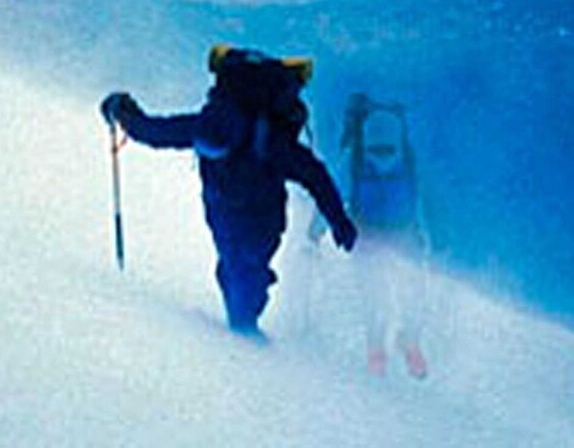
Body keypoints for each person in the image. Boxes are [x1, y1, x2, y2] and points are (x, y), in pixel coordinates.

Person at [100, 45, 357, 339]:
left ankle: (242, 331)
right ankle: (243, 331)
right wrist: (338, 221)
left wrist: (123, 111)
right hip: (262, 219)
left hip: (223, 211)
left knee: (236, 269)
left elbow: (155, 132)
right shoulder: (269, 140)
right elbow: (314, 175)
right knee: (245, 270)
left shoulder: (210, 126)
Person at [308, 92, 428, 378]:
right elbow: (333, 195)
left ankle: (406, 341)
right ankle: (379, 346)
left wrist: (316, 230)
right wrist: (317, 229)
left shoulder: (367, 159)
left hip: (395, 233)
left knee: (410, 291)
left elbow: (423, 198)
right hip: (373, 234)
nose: (382, 159)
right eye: (377, 150)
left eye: (387, 151)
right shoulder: (360, 160)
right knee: (376, 292)